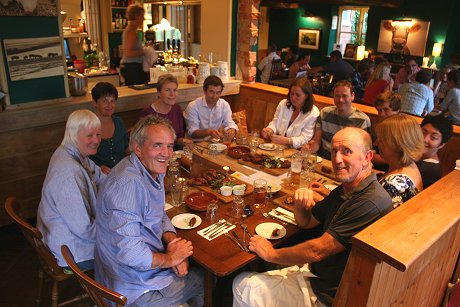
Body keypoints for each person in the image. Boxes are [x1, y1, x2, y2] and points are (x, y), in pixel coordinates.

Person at [233, 127, 393, 306]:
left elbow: (317, 250)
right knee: (262, 271)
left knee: (242, 283)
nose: (337, 159)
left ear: (368, 157)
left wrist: (271, 253)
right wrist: (300, 203)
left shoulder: (370, 201)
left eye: (346, 151)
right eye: (334, 151)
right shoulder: (348, 187)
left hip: (330, 294)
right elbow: (307, 222)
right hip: (317, 274)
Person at [95, 115, 204, 306]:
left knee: (188, 260)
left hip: (132, 271)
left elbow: (158, 213)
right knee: (203, 276)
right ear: (137, 148)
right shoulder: (128, 185)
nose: (167, 153)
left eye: (170, 146)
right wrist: (171, 258)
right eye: (157, 145)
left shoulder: (150, 168)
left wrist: (173, 243)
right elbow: (131, 255)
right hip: (132, 289)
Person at [37, 110, 105, 271]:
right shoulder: (68, 172)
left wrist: (126, 184)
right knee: (129, 248)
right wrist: (116, 229)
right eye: (89, 135)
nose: (96, 140)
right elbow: (85, 230)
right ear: (73, 134)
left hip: (67, 236)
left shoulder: (73, 153)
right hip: (71, 250)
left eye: (98, 134)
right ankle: (122, 292)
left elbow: (101, 177)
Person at [305, 80, 372, 160]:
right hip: (323, 159)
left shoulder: (362, 120)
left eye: (344, 96)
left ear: (352, 96)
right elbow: (316, 142)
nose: (340, 100)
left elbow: (363, 150)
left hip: (347, 161)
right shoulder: (324, 113)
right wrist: (308, 149)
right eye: (337, 96)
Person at [375, 114, 424, 208]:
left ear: (397, 145)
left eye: (381, 140)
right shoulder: (409, 165)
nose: (376, 143)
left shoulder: (394, 186)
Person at [261, 77, 319, 149]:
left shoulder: (313, 112)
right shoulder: (283, 104)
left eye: (298, 95)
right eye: (292, 94)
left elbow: (305, 138)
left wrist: (288, 141)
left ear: (306, 96)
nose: (293, 98)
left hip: (297, 151)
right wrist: (270, 130)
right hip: (277, 147)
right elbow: (275, 122)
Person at [139, 74, 191, 149]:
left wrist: (183, 141)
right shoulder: (147, 113)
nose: (172, 94)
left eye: (175, 90)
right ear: (158, 93)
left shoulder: (176, 109)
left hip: (175, 155)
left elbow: (178, 139)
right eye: (167, 90)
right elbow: (142, 144)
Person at [89, 82, 129, 174]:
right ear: (95, 103)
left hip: (123, 172)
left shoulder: (119, 122)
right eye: (104, 101)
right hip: (99, 178)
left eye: (112, 101)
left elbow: (127, 149)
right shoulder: (88, 126)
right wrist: (98, 167)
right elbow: (82, 158)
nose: (109, 105)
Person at [184, 75, 238, 140]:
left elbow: (229, 122)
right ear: (204, 91)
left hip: (215, 144)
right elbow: (192, 133)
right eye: (211, 92)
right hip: (195, 144)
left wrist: (232, 129)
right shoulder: (193, 106)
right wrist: (208, 132)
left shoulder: (224, 105)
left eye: (218, 93)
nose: (214, 96)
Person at [416, 115, 453, 188]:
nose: (425, 139)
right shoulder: (416, 156)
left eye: (433, 138)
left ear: (441, 145)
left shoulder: (430, 169)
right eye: (423, 132)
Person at [372, 91, 401, 167]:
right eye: (379, 110)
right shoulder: (380, 126)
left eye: (386, 110)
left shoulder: (402, 130)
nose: (381, 114)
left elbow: (400, 160)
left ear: (397, 110)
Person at [120, 4, 146, 85]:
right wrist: (145, 51)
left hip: (132, 67)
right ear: (136, 16)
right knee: (136, 94)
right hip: (132, 67)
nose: (144, 18)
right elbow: (128, 53)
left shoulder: (132, 30)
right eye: (142, 16)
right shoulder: (131, 31)